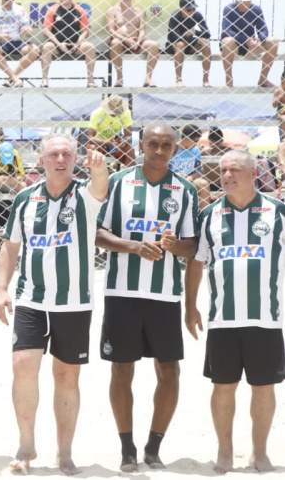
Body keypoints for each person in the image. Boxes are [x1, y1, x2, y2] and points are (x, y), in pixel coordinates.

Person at [0, 134, 108, 475]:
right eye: (54, 154)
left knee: (66, 375)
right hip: (32, 299)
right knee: (23, 366)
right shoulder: (26, 199)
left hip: (74, 302)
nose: (60, 159)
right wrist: (1, 288)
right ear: (41, 160)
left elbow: (101, 185)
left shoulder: (86, 195)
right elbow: (11, 246)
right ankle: (26, 443)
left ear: (75, 160)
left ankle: (65, 452)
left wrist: (99, 167)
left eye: (67, 154)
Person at [95, 125, 199, 472]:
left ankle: (153, 447)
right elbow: (97, 233)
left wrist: (173, 246)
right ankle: (127, 448)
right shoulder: (120, 182)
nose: (159, 150)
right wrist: (133, 246)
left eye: (166, 145)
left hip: (165, 295)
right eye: (152, 144)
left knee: (169, 371)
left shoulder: (184, 190)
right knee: (121, 368)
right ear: (141, 146)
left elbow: (191, 246)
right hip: (121, 292)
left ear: (175, 148)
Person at [184, 149, 285, 475]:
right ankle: (225, 453)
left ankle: (260, 453)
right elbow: (196, 262)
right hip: (223, 320)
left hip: (265, 319)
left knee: (263, 387)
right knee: (223, 386)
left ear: (253, 173)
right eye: (223, 170)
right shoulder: (210, 214)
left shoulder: (277, 212)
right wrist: (190, 307)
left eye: (235, 170)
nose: (227, 175)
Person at [221, 0, 279, 88]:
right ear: (237, 0)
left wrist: (260, 39)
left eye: (247, 2)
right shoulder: (229, 9)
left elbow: (263, 29)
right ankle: (229, 80)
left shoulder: (256, 9)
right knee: (227, 41)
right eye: (242, 1)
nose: (244, 5)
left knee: (273, 41)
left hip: (252, 46)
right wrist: (245, 39)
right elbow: (226, 30)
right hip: (234, 46)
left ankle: (263, 79)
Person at [105, 0, 161, 88]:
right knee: (115, 43)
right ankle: (119, 77)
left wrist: (137, 41)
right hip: (120, 42)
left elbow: (142, 30)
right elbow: (111, 30)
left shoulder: (139, 11)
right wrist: (126, 39)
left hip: (136, 42)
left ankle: (148, 78)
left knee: (154, 45)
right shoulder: (112, 11)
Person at [41, 0, 96, 88]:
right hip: (57, 44)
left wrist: (78, 44)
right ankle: (44, 79)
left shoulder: (80, 10)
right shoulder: (53, 9)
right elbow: (46, 30)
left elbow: (85, 31)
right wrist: (59, 44)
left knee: (90, 47)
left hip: (75, 44)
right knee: (46, 47)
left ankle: (90, 79)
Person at [167, 0, 212, 88]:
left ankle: (206, 79)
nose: (191, 12)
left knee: (206, 43)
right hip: (174, 45)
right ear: (182, 9)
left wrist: (195, 32)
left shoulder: (196, 15)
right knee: (180, 44)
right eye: (188, 10)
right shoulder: (175, 17)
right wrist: (186, 35)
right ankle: (179, 79)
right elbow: (175, 37)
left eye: (193, 9)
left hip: (189, 43)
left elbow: (207, 34)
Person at [170, 124, 212, 208]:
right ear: (187, 138)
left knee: (203, 184)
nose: (196, 144)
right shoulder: (172, 149)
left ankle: (204, 215)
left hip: (189, 179)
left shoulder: (196, 150)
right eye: (196, 141)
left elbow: (198, 171)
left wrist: (190, 177)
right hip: (172, 178)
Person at [87, 95, 135, 167]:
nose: (115, 113)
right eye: (113, 111)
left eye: (117, 111)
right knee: (92, 149)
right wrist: (106, 143)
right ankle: (94, 176)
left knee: (130, 149)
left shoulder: (126, 113)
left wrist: (123, 142)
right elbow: (90, 137)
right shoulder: (97, 113)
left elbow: (128, 135)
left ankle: (130, 175)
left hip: (116, 144)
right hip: (99, 143)